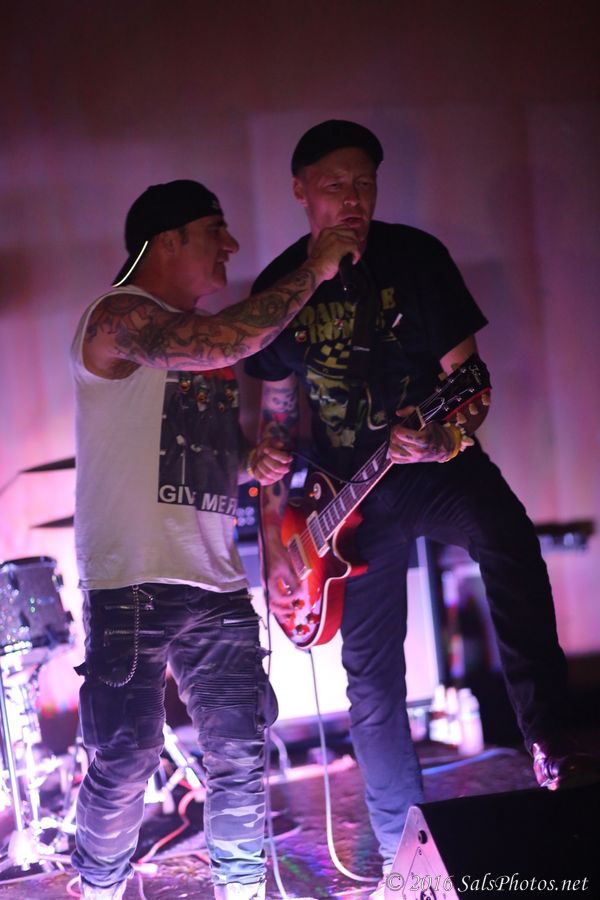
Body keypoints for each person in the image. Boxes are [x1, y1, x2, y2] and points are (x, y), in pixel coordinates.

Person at [244, 121, 600, 891]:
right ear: (300, 190)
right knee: (370, 677)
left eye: (365, 183)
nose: (354, 198)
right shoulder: (278, 288)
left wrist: (444, 437)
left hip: (427, 464)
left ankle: (550, 739)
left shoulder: (417, 259)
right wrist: (277, 546)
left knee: (505, 531)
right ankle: (402, 854)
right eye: (335, 184)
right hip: (342, 503)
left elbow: (472, 385)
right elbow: (275, 420)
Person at [70, 179, 359, 900]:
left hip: (216, 580)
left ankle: (243, 890)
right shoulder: (118, 315)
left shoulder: (201, 339)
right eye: (215, 231)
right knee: (126, 756)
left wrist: (246, 461)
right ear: (168, 241)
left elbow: (195, 449)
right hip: (132, 578)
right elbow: (227, 339)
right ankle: (98, 888)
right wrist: (315, 269)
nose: (230, 246)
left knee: (240, 750)